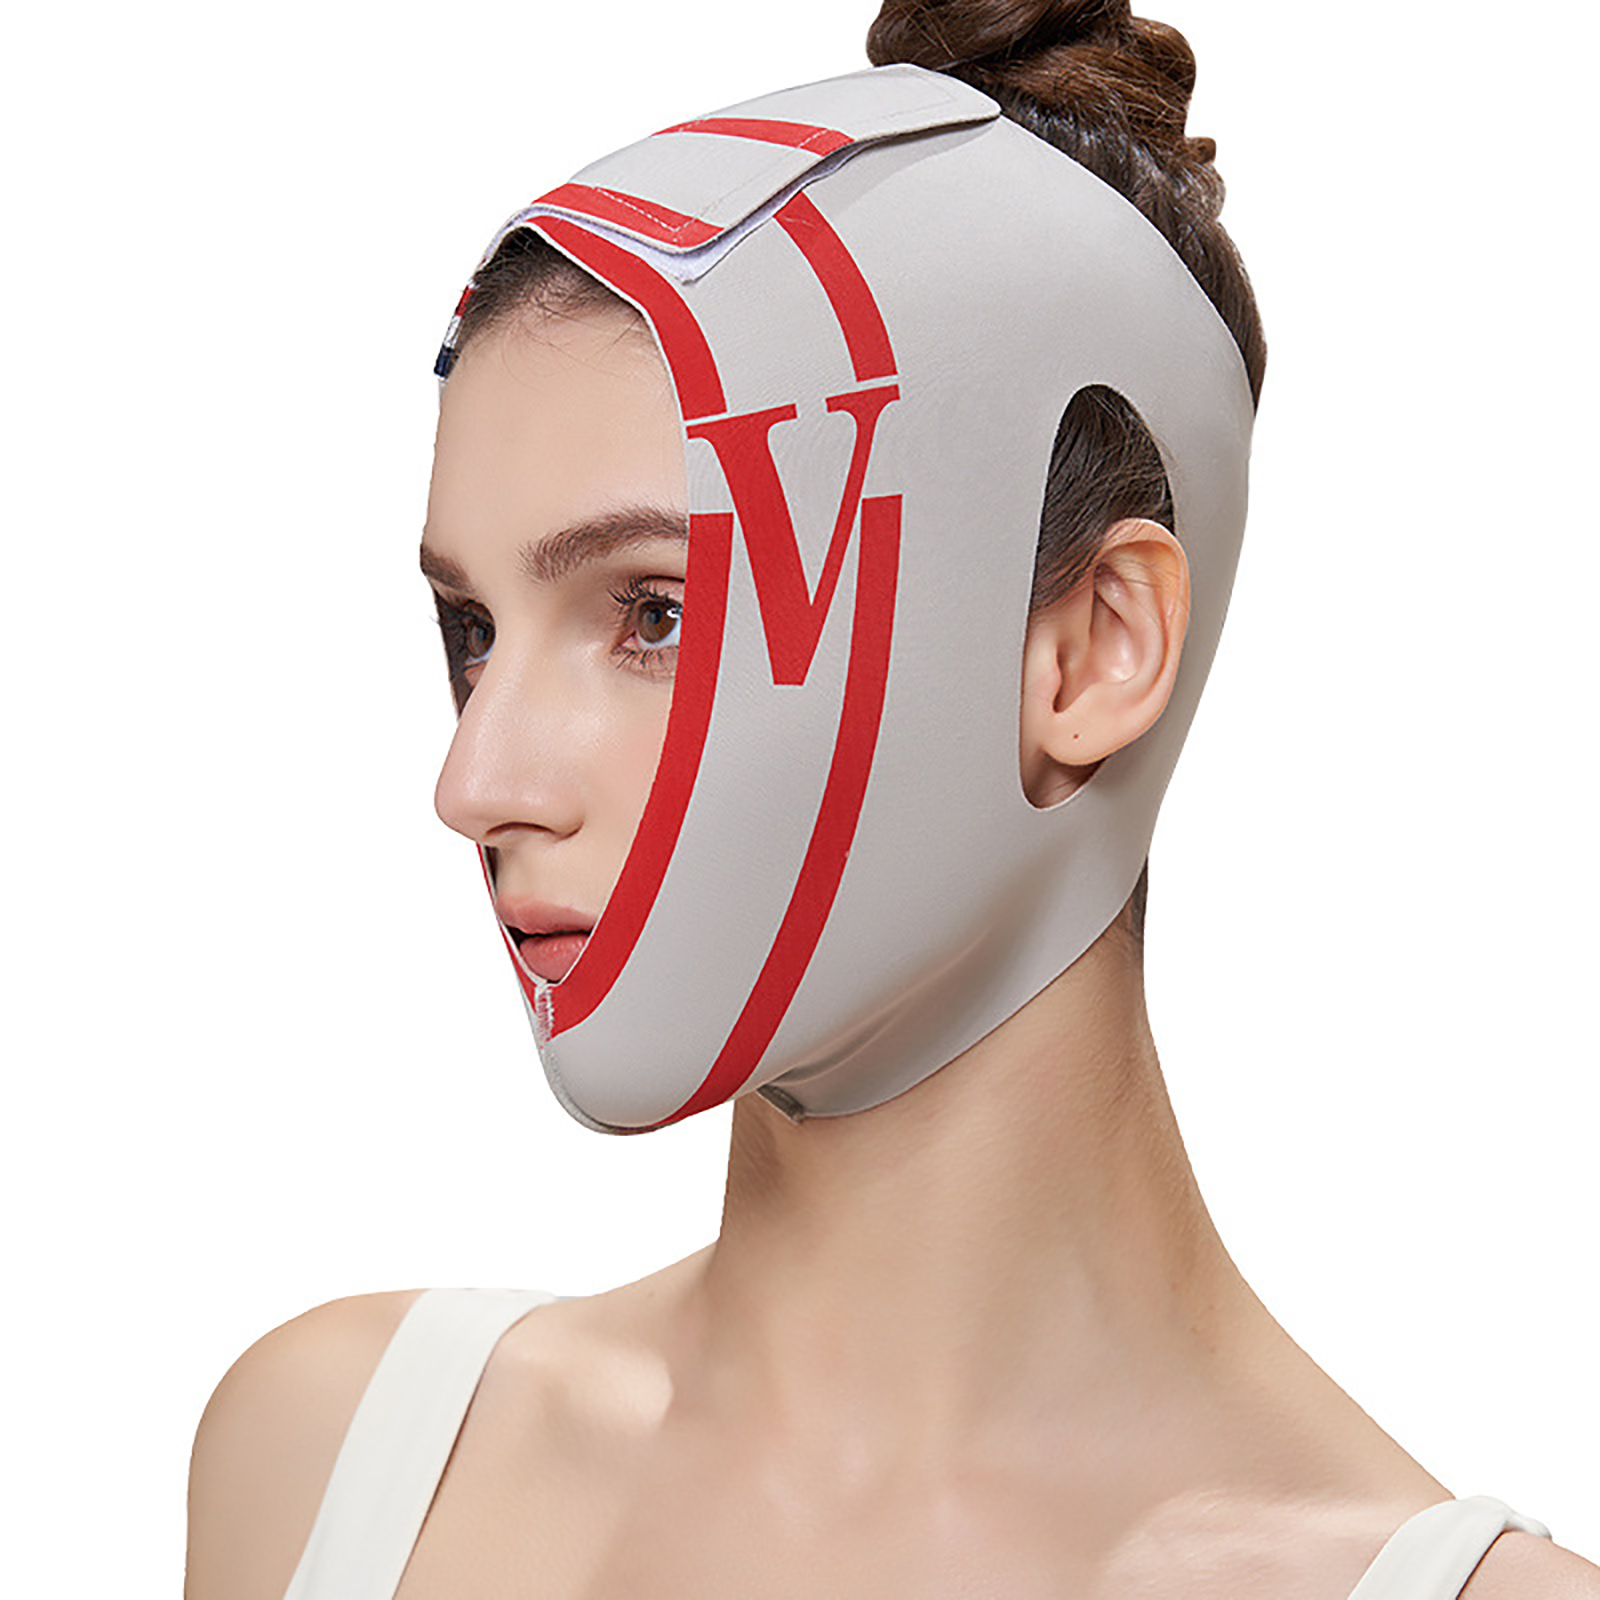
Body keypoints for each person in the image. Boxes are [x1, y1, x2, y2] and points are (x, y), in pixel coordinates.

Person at [183, 3, 1600, 1596]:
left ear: (1092, 649)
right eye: (472, 628)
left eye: (655, 613)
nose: (476, 783)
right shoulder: (326, 1455)